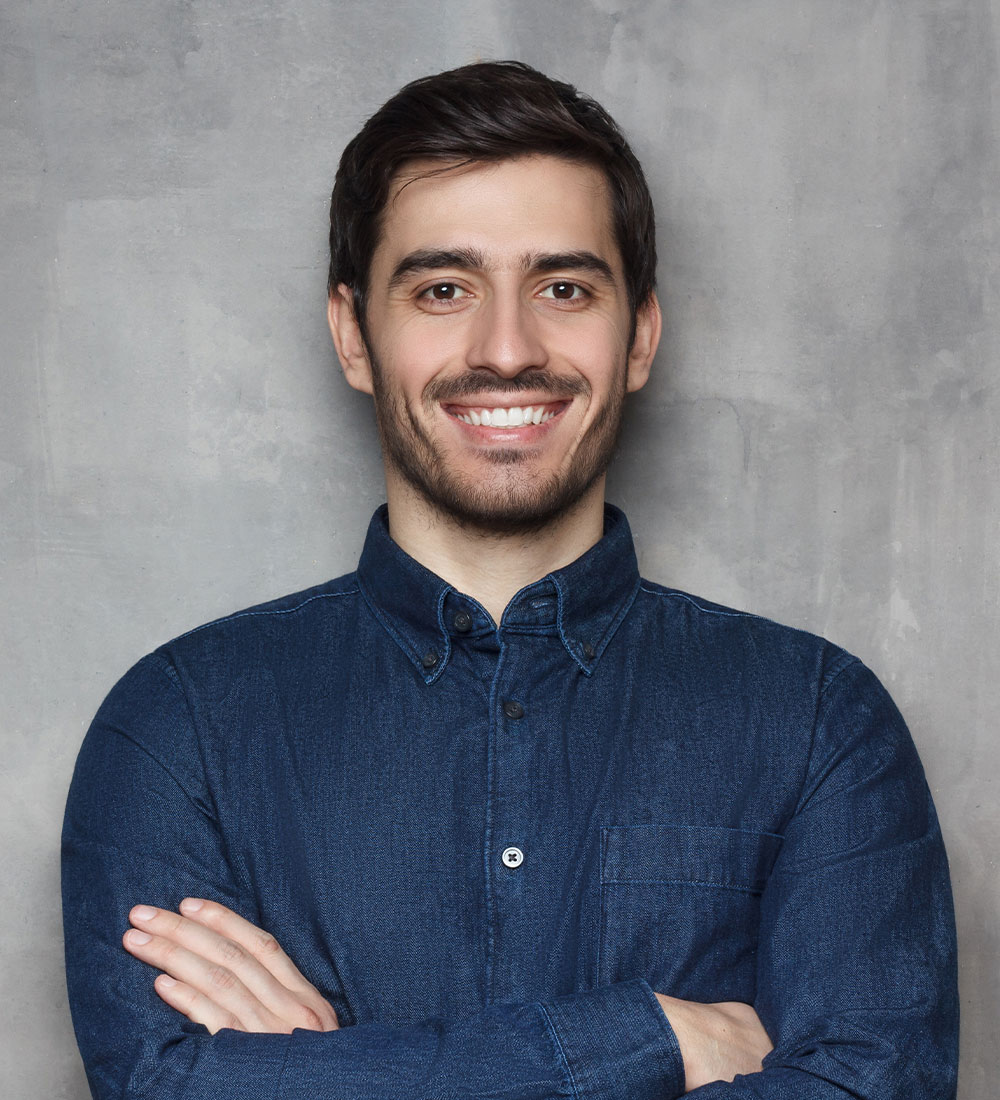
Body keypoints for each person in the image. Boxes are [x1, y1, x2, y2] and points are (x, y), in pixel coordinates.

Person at [62, 61, 958, 1099]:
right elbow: (167, 1088)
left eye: (563, 287)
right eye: (443, 288)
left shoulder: (816, 720)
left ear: (641, 336)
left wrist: (318, 1076)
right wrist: (642, 1037)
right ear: (355, 334)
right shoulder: (179, 727)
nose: (505, 348)